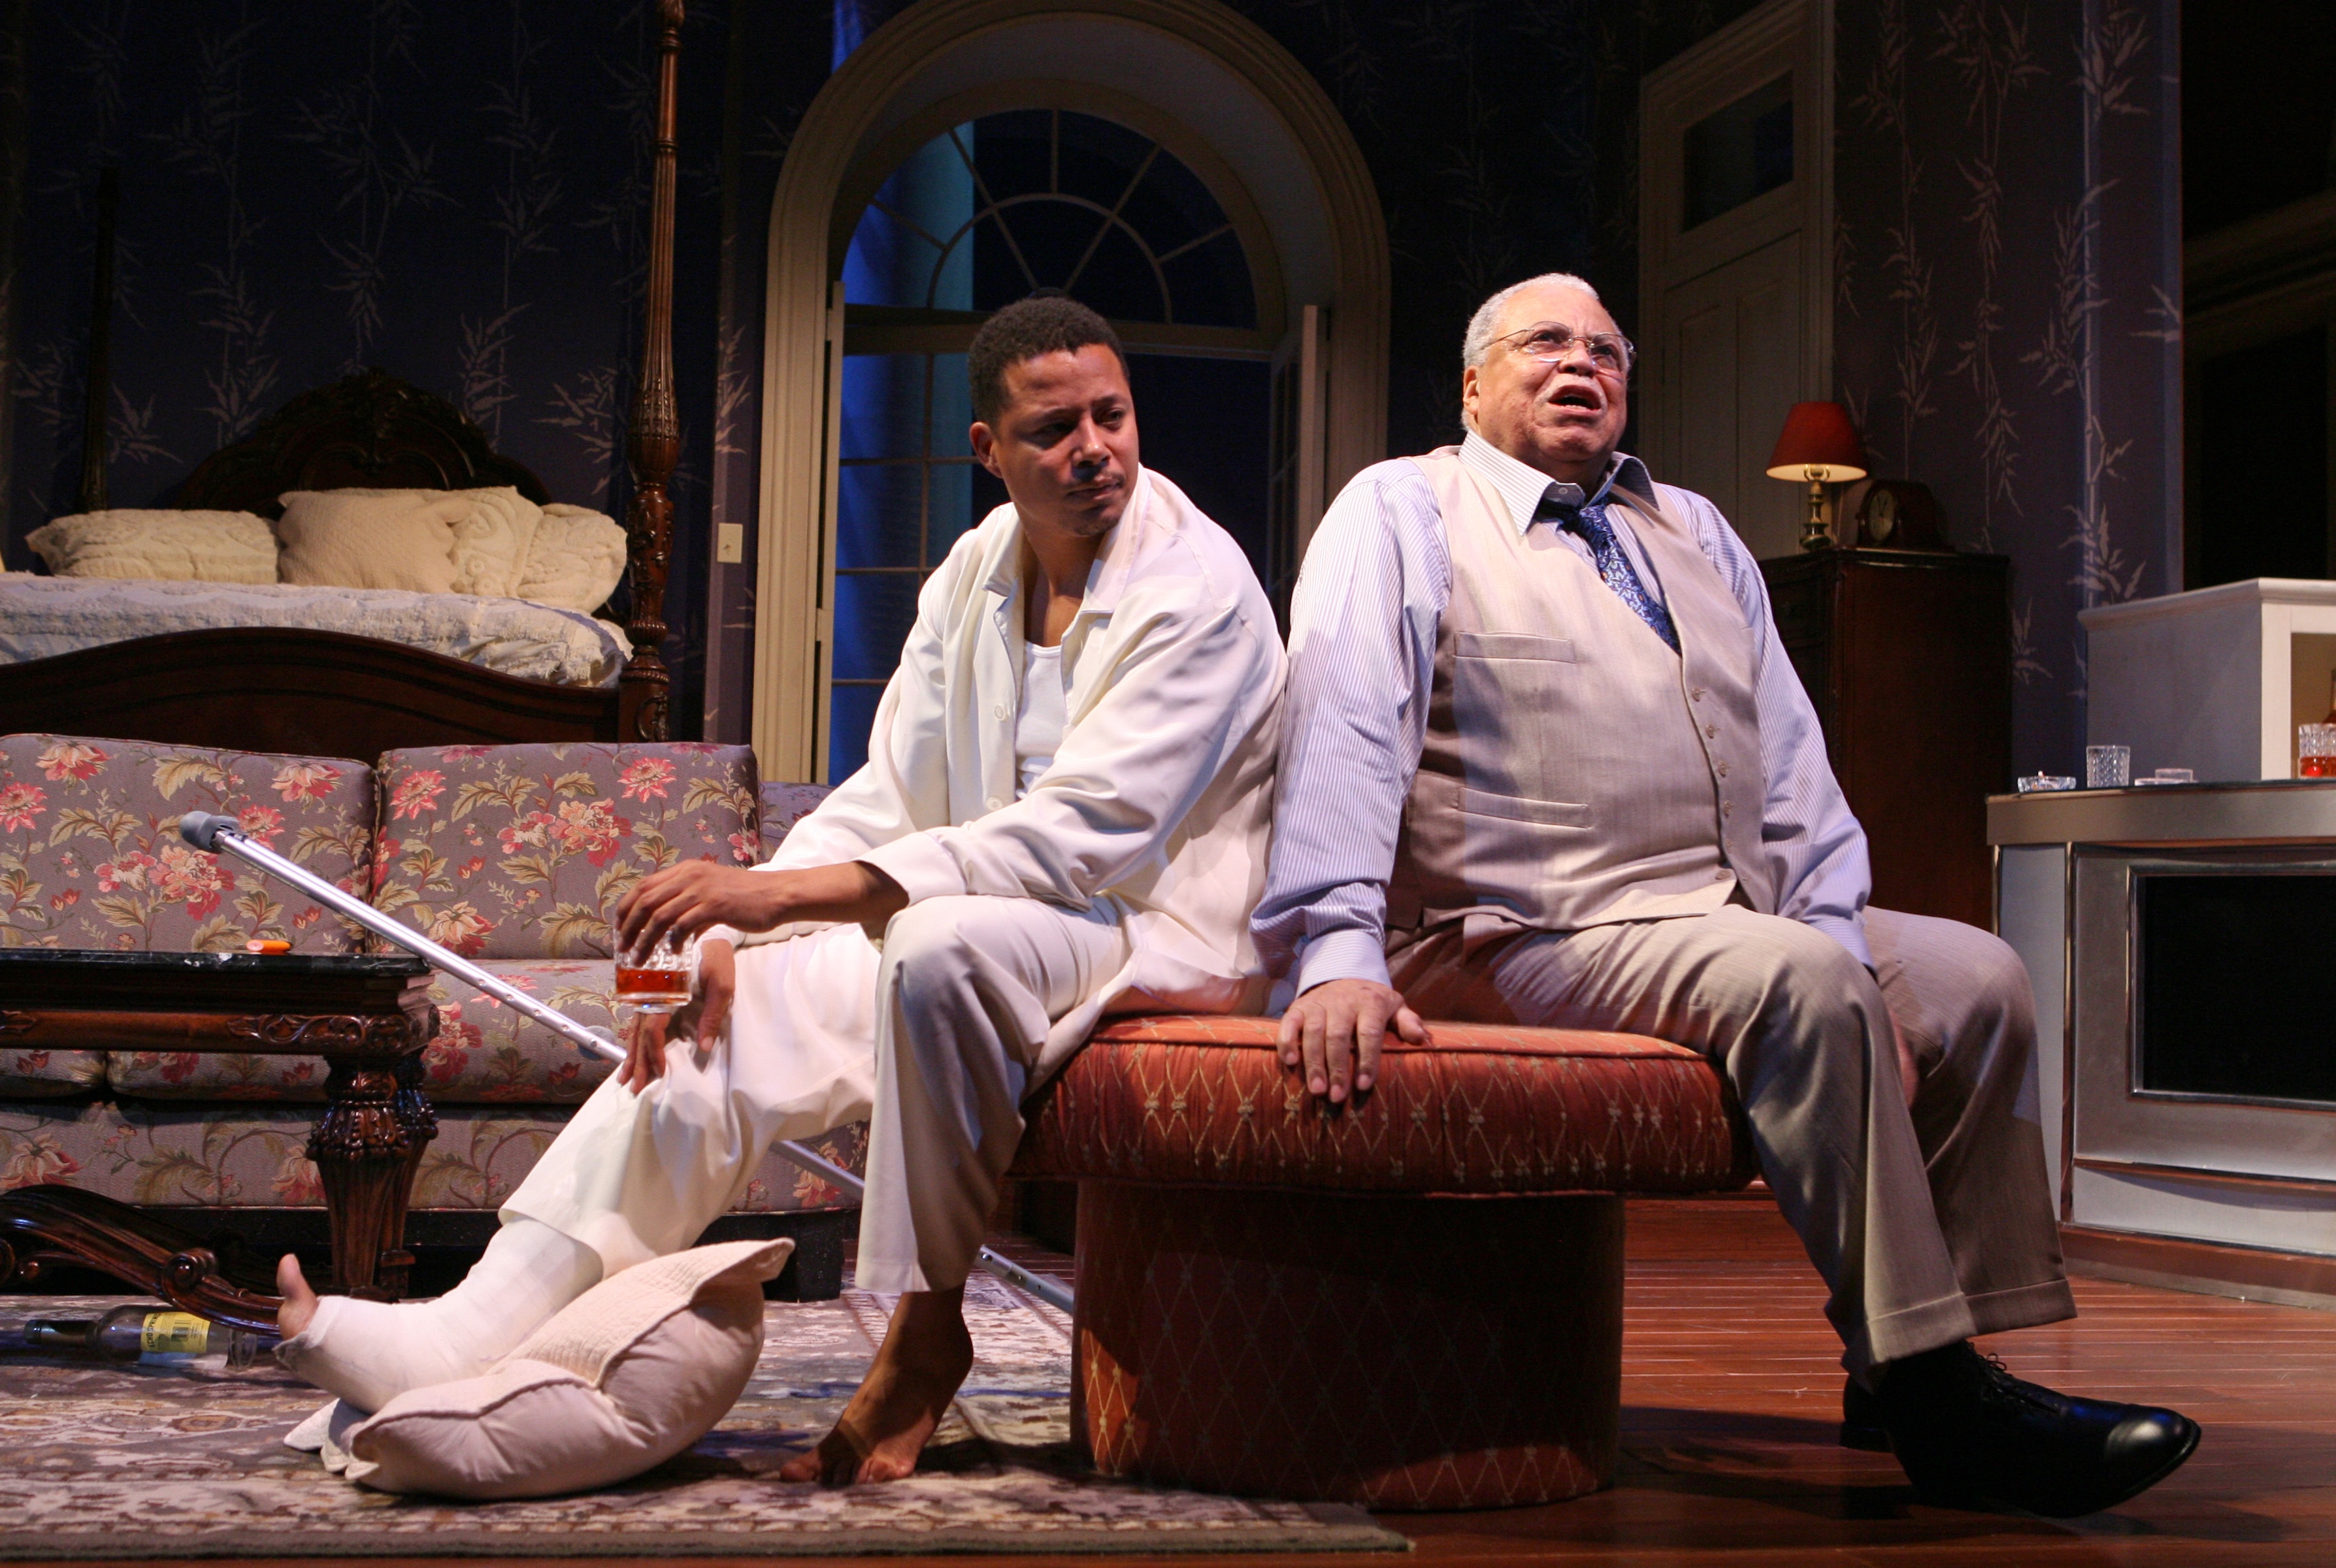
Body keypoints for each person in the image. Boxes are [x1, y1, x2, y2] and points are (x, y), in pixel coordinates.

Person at [275, 294, 1285, 1486]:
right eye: (1053, 428)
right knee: (719, 1018)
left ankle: (923, 1333)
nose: (1094, 449)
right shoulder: (974, 571)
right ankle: (467, 1331)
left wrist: (783, 900)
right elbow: (897, 787)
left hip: (1147, 926)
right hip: (987, 913)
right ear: (989, 451)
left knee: (938, 947)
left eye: (1111, 416)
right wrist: (743, 926)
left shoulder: (1198, 584)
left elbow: (1085, 837)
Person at [1251, 271, 2199, 1518]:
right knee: (1802, 980)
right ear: (1474, 382)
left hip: (1711, 918)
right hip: (1509, 930)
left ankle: (1933, 1351)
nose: (1580, 363)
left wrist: (1840, 943)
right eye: (1544, 343)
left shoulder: (1692, 528)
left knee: (1976, 977)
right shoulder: (1401, 509)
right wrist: (1336, 950)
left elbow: (1793, 763)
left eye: (1605, 348)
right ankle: (1936, 1397)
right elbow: (1345, 731)